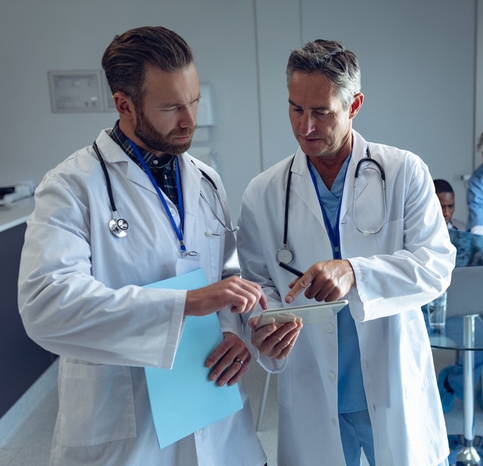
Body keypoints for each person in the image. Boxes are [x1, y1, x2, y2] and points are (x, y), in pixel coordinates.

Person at [17, 26, 270, 466]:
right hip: (126, 426)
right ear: (124, 105)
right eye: (172, 107)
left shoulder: (206, 180)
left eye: (193, 101)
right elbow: (46, 308)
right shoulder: (72, 186)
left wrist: (237, 330)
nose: (189, 119)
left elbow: (230, 274)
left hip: (213, 408)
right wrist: (184, 304)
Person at [237, 39, 456, 466]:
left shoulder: (404, 172)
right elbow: (257, 284)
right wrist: (259, 328)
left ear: (354, 105)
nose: (305, 127)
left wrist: (355, 271)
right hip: (313, 381)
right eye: (296, 109)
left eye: (321, 111)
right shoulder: (263, 192)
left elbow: (436, 265)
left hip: (391, 380)